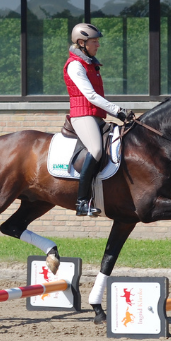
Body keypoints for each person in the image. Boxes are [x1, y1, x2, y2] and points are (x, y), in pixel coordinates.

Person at [64, 22, 134, 217]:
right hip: (82, 115)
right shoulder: (75, 65)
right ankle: (81, 202)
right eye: (94, 41)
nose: (98, 44)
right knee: (95, 150)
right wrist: (117, 111)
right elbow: (91, 96)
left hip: (95, 116)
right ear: (81, 43)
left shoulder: (90, 64)